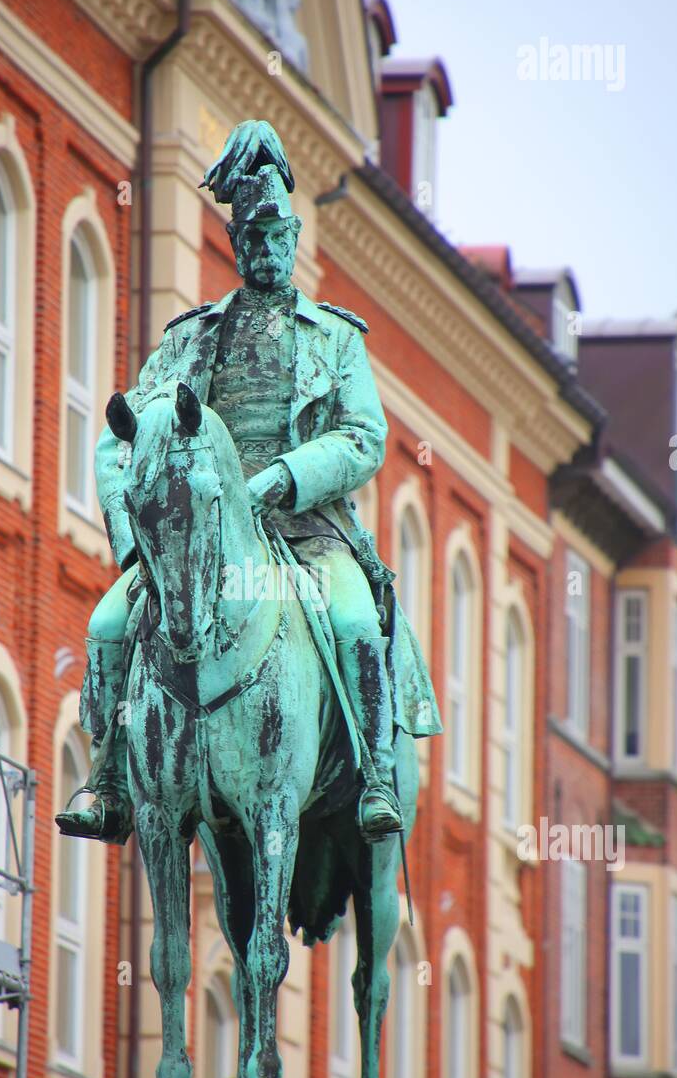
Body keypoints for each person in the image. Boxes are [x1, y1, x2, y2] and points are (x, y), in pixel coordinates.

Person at [56, 121, 441, 846]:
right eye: (252, 239)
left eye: (277, 237)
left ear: (294, 239)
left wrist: (284, 478)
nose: (265, 251)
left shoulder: (334, 337)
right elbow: (122, 438)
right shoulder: (190, 339)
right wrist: (137, 540)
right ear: (234, 247)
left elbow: (364, 438)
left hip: (307, 531)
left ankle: (376, 777)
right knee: (107, 623)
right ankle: (107, 776)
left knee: (358, 620)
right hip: (202, 538)